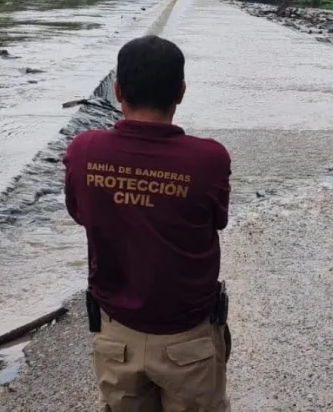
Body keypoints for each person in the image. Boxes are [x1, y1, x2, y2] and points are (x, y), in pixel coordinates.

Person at [63, 35, 232, 412]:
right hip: (187, 338)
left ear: (119, 89)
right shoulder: (209, 159)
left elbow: (80, 213)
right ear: (181, 92)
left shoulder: (83, 151)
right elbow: (217, 219)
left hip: (116, 334)